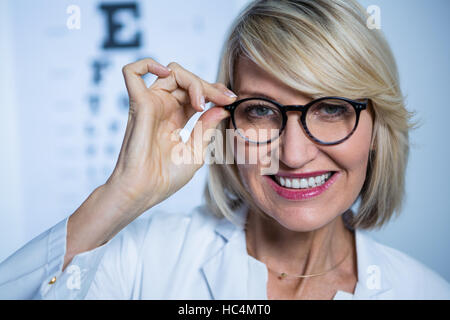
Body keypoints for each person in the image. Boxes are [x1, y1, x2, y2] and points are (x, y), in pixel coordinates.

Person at [1, 0, 449, 300]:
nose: (292, 154)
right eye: (261, 111)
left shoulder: (425, 292)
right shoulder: (145, 258)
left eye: (331, 108)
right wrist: (121, 194)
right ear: (225, 121)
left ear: (377, 127)